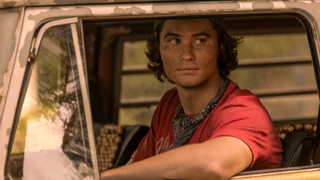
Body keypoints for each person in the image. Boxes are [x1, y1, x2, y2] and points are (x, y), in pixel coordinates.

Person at [101, 18, 282, 180]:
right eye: (174, 41)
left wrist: (107, 177)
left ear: (220, 47)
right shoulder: (170, 103)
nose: (187, 55)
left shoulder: (244, 110)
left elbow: (213, 164)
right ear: (158, 48)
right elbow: (136, 167)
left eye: (200, 41)